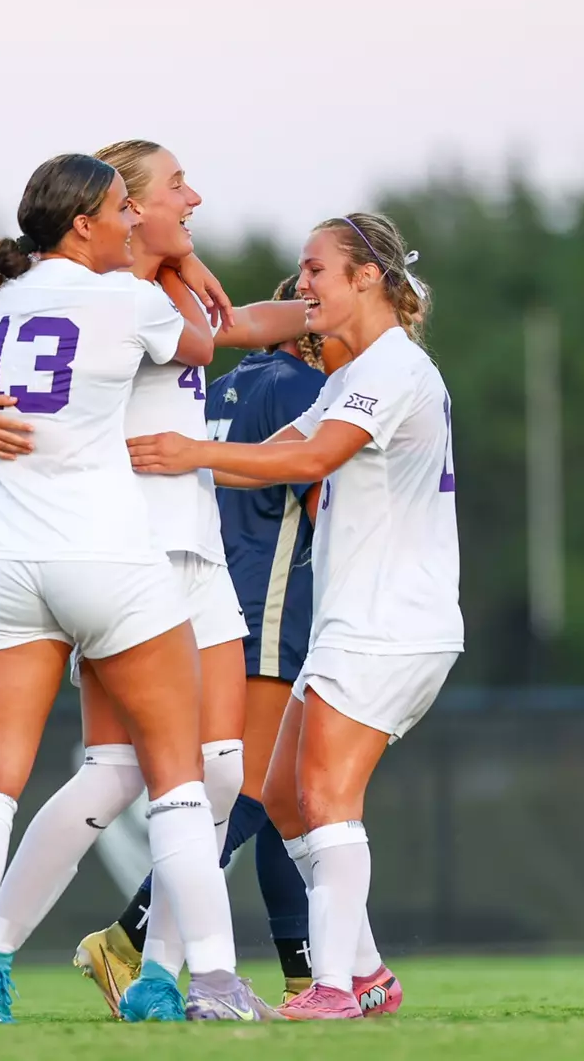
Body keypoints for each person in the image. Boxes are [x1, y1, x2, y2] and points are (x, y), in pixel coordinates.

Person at [0, 141, 310, 1023]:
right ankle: (35, 958)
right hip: (118, 554)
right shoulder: (129, 297)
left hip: (169, 548)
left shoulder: (62, 294)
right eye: (175, 186)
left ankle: (138, 972)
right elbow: (211, 337)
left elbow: (234, 329)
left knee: (217, 773)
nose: (194, 196)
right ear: (118, 212)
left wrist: (325, 309)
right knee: (138, 775)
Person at [127, 211, 463, 1020]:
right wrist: (180, 466)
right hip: (358, 620)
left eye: (315, 270)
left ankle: (334, 989)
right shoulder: (359, 372)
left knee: (325, 792)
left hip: (393, 620)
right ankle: (369, 972)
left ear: (365, 278)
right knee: (280, 794)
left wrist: (195, 454)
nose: (302, 283)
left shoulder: (390, 368)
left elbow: (309, 460)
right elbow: (279, 450)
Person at [72, 276, 357, 1007]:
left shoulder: (226, 382)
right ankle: (128, 940)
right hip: (266, 598)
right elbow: (325, 493)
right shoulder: (303, 387)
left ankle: (302, 973)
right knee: (251, 790)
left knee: (269, 790)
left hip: (216, 582)